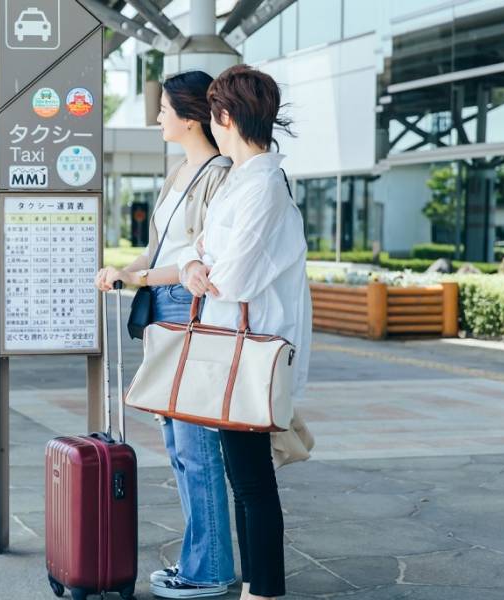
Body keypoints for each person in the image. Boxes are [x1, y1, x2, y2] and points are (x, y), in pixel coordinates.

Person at [94, 70, 237, 599]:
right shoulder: (179, 171)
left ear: (191, 115)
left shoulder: (221, 174)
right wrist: (122, 270)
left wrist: (137, 277)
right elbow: (157, 253)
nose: (157, 117)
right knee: (178, 443)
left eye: (164, 109)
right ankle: (198, 562)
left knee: (196, 444)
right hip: (165, 307)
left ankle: (212, 569)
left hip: (190, 307)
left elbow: (199, 260)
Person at [177, 65, 312, 600]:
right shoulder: (242, 178)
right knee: (245, 476)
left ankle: (264, 591)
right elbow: (199, 251)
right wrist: (194, 265)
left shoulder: (263, 185)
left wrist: (203, 266)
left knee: (253, 482)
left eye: (215, 112)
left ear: (226, 115)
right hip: (231, 344)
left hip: (250, 350)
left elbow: (234, 275)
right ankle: (257, 587)